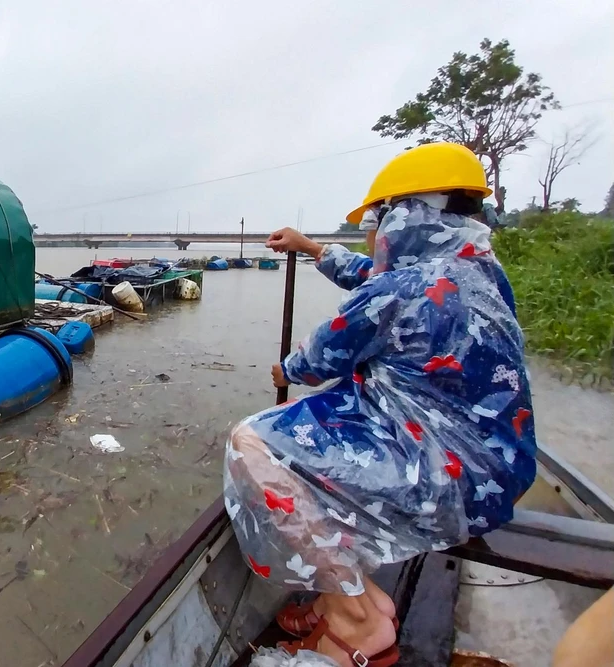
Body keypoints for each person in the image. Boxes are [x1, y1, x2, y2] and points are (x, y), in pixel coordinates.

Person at [223, 142, 537, 667]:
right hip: (498, 471)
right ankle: (347, 595)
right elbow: (377, 280)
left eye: (379, 217)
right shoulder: (477, 271)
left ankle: (358, 619)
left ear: (409, 217)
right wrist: (312, 247)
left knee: (254, 442)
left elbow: (321, 358)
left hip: (444, 479)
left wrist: (287, 372)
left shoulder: (404, 286)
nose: (374, 230)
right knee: (322, 431)